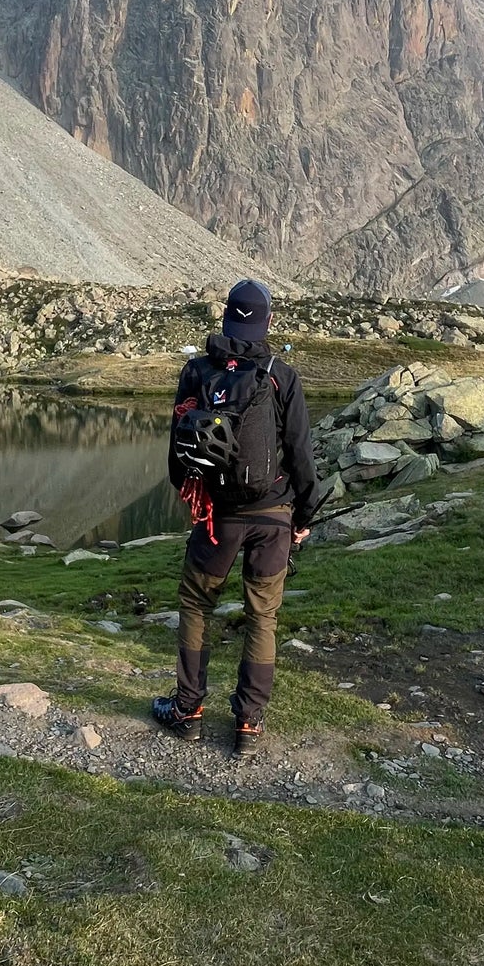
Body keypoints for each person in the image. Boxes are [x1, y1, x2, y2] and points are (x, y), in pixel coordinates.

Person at [152, 278, 320, 759]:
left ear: (226, 316)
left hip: (217, 519)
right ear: (267, 320)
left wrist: (201, 494)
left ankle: (187, 711)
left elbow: (176, 461)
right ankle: (248, 722)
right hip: (274, 516)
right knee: (262, 615)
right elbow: (302, 456)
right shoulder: (280, 375)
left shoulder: (197, 372)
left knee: (196, 604)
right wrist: (303, 515)